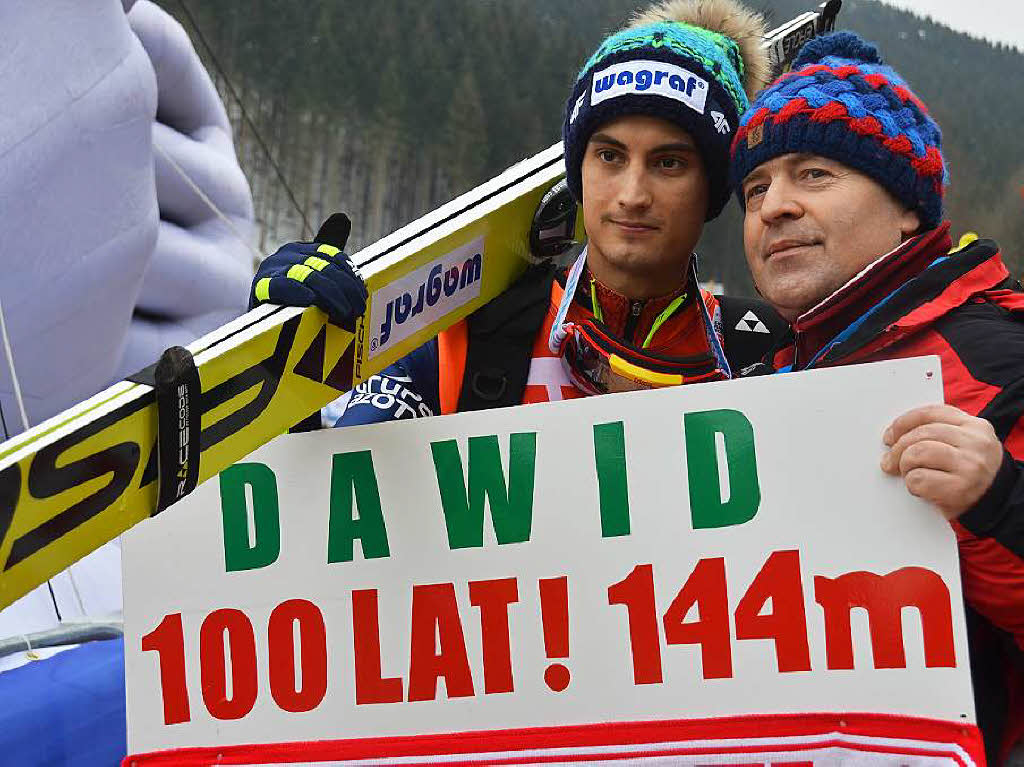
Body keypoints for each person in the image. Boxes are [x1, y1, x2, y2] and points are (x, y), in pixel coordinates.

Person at [251, 0, 787, 426]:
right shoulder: (469, 330)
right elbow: (330, 503)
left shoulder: (768, 352)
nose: (632, 193)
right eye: (609, 156)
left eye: (669, 163)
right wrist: (287, 368)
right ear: (578, 172)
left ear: (713, 187)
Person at [729, 31, 1024, 763]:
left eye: (814, 174)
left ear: (907, 210)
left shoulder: (1000, 353)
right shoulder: (765, 377)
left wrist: (999, 497)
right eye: (756, 189)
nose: (775, 208)